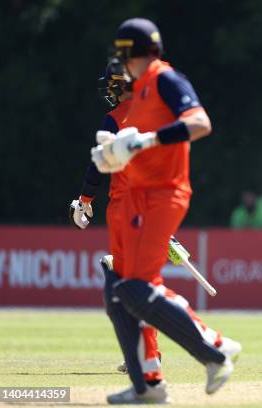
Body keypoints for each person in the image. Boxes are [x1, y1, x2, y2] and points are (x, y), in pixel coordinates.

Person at [90, 18, 240, 404]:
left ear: (129, 54)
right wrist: (113, 157)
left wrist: (144, 141)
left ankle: (216, 349)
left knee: (136, 289)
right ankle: (149, 384)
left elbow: (199, 123)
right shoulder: (140, 90)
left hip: (163, 196)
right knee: (117, 291)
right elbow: (139, 150)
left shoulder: (165, 80)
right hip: (139, 197)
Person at [69, 62, 163, 382]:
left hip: (124, 207)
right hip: (152, 206)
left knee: (126, 283)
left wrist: (84, 201)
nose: (109, 90)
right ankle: (146, 352)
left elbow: (98, 166)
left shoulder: (115, 118)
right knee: (139, 281)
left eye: (112, 84)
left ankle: (147, 356)